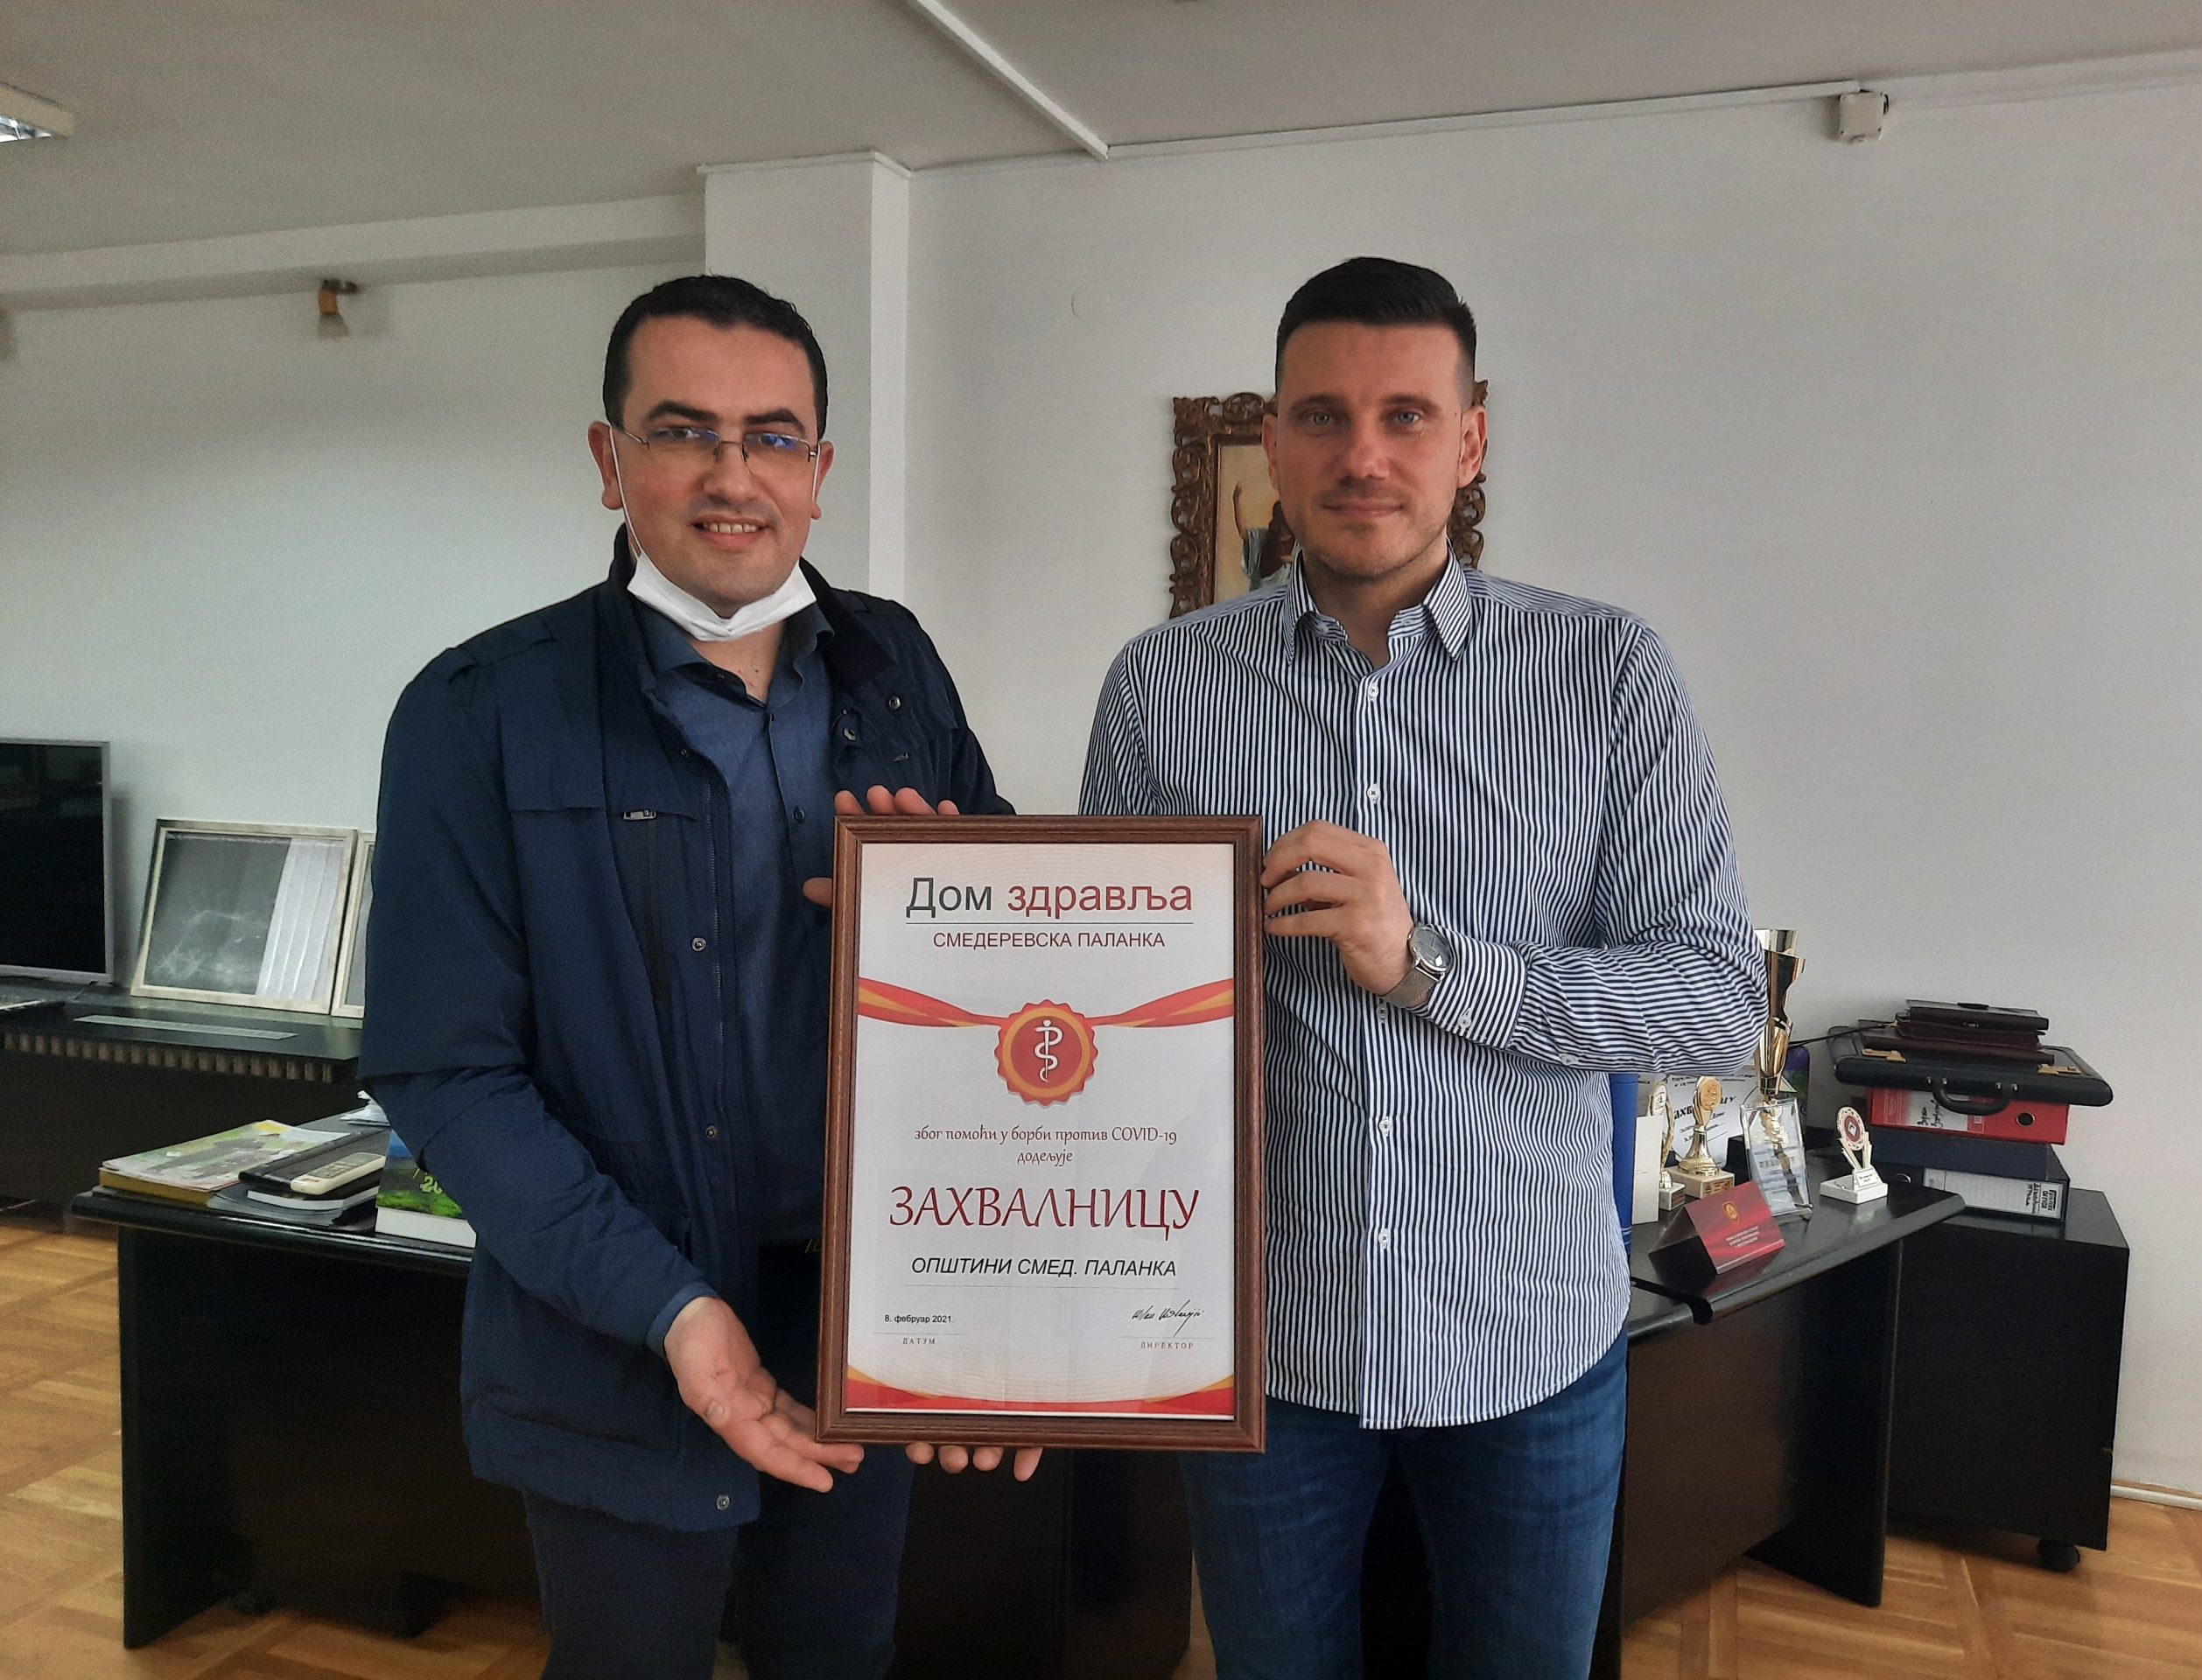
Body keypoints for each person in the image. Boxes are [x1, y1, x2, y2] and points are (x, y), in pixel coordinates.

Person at [1080, 256, 1764, 1678]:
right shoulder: (1159, 686)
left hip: (1529, 1347)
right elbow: (1110, 1006)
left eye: (1407, 415)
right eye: (1322, 416)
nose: (1364, 456)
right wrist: (939, 919)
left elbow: (1714, 1004)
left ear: (1472, 439)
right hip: (1267, 1350)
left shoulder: (1609, 677)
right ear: (1273, 439)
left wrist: (1433, 966)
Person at [362, 274, 1035, 1680]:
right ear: (611, 460)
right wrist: (670, 1312)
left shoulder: (895, 670)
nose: (734, 477)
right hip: (616, 1326)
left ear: (820, 471)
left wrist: (954, 916)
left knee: (836, 1659)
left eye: (773, 437)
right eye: (684, 432)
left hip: (868, 1314)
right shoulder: (479, 710)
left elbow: (1024, 983)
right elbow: (446, 1069)